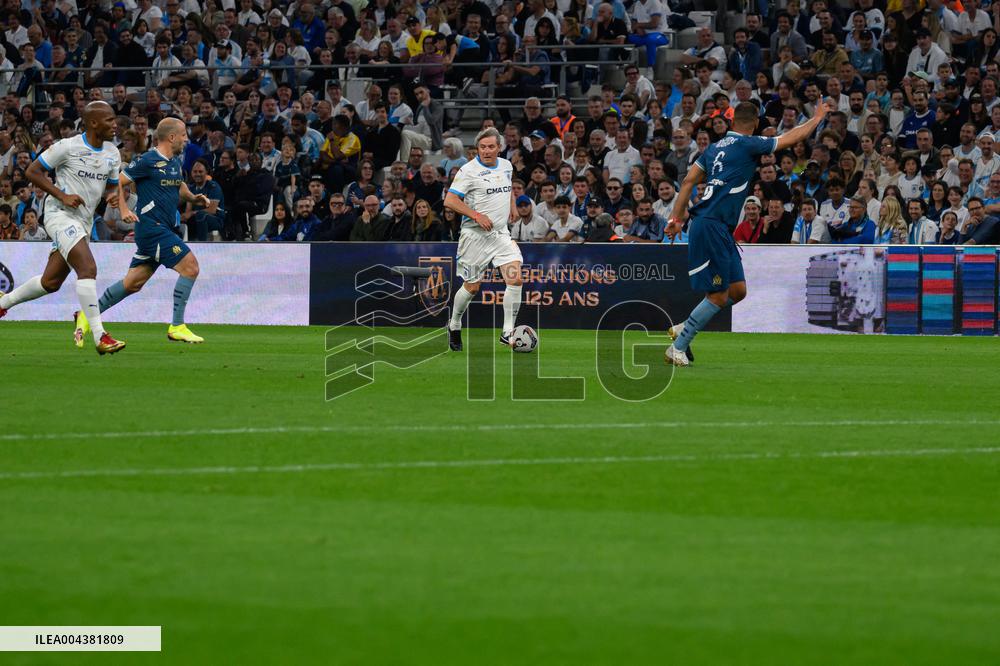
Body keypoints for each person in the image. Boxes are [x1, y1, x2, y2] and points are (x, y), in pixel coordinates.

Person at [664, 99, 831, 367]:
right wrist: (817, 118)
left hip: (715, 225)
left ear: (731, 123)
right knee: (718, 295)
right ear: (754, 124)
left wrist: (675, 217)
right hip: (711, 224)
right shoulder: (748, 143)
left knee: (738, 291)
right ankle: (678, 346)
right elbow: (791, 138)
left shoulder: (713, 148)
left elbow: (687, 182)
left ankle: (685, 326)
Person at [0, 101, 126, 355]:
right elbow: (32, 171)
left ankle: (3, 302)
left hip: (84, 221)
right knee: (88, 268)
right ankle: (101, 336)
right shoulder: (68, 147)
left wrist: (115, 198)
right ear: (93, 123)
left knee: (51, 282)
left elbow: (112, 186)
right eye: (109, 120)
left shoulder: (113, 153)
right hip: (59, 215)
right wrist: (62, 195)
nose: (115, 125)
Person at [79, 117, 212, 345]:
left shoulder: (174, 163)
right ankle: (177, 326)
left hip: (164, 228)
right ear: (171, 137)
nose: (186, 139)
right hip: (153, 229)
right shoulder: (147, 160)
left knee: (132, 284)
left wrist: (192, 197)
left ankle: (86, 315)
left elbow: (178, 185)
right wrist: (122, 209)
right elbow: (117, 182)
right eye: (183, 135)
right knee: (190, 267)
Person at [443, 127, 521, 351]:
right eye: (483, 147)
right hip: (474, 236)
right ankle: (455, 323)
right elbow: (450, 201)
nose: (487, 151)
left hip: (500, 234)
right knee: (472, 287)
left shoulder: (506, 166)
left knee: (515, 279)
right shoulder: (468, 171)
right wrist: (476, 215)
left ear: (499, 148)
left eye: (491, 147)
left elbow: (508, 189)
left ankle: (507, 332)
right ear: (477, 149)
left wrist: (512, 205)